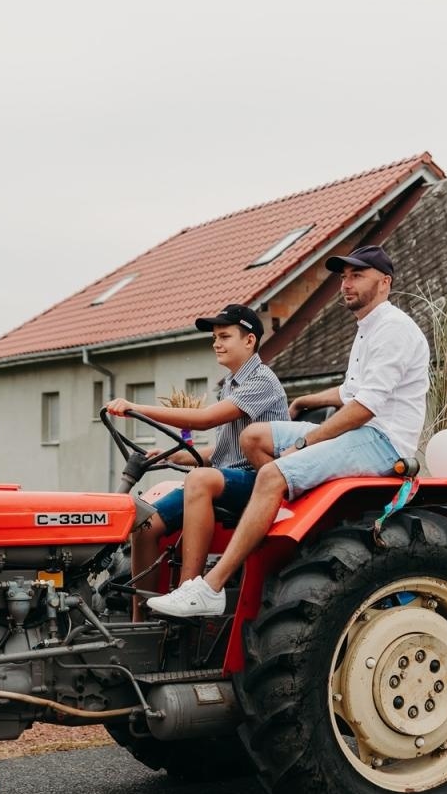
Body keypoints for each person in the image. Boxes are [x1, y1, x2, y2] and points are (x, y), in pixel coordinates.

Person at [147, 245, 427, 618]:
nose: (346, 284)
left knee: (271, 474)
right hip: (362, 430)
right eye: (344, 276)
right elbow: (350, 392)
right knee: (253, 436)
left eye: (357, 275)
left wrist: (304, 442)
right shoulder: (368, 329)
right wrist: (307, 399)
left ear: (385, 282)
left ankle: (211, 588)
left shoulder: (394, 329)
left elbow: (364, 408)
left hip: (382, 441)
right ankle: (273, 513)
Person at [105, 304, 288, 616]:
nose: (216, 343)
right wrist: (173, 455)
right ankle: (141, 621)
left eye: (224, 336)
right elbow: (223, 451)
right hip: (229, 476)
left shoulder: (261, 381)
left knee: (199, 479)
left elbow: (205, 420)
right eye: (214, 337)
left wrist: (138, 408)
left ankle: (189, 591)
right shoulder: (230, 384)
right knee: (144, 524)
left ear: (249, 341)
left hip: (261, 480)